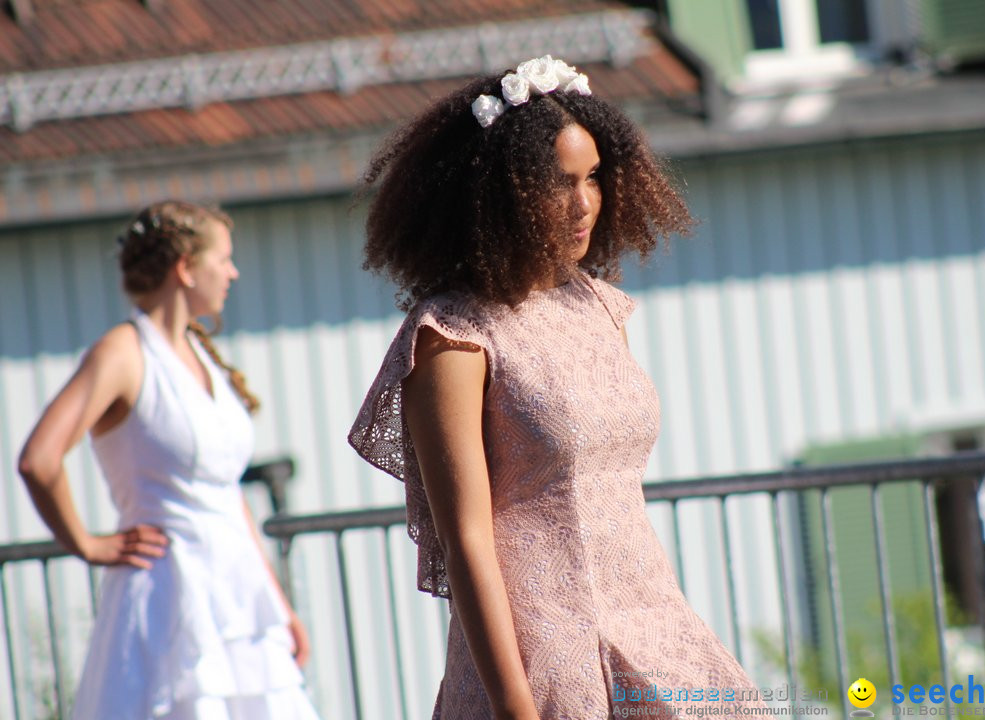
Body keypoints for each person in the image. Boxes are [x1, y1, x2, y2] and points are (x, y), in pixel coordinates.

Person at [348, 57, 774, 719]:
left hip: (652, 626)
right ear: (501, 192)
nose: (585, 204)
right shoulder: (453, 335)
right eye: (559, 183)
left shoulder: (602, 308)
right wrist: (517, 705)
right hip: (541, 660)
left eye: (595, 178)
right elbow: (466, 540)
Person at [18, 200, 321, 720]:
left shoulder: (199, 352)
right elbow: (38, 459)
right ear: (185, 267)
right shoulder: (122, 353)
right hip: (165, 605)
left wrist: (276, 602)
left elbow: (226, 496)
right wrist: (87, 545)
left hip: (238, 606)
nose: (233, 272)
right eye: (223, 259)